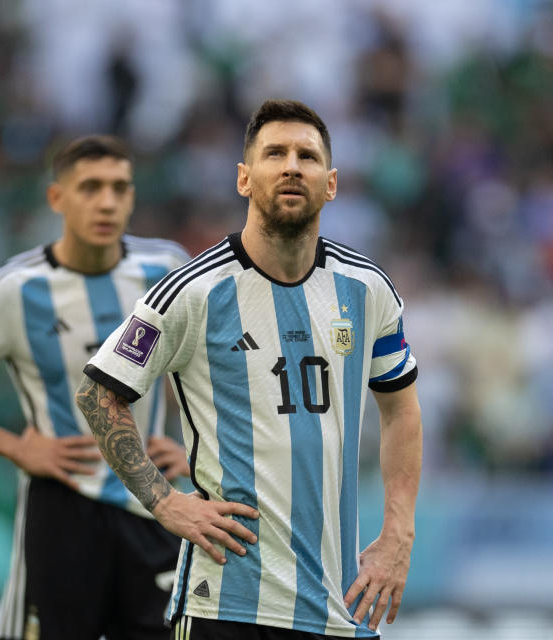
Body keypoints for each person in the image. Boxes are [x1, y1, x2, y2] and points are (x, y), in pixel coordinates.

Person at [76, 100, 423, 639]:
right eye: (274, 153)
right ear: (244, 178)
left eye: (307, 156)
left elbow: (401, 408)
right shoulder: (191, 292)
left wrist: (398, 531)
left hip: (340, 605)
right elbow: (99, 393)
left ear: (330, 184)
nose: (291, 166)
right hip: (228, 605)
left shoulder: (367, 289)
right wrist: (164, 504)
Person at [0, 135, 192, 640]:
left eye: (120, 188)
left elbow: (218, 364)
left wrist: (194, 450)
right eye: (90, 187)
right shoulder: (15, 288)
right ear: (57, 199)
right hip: (62, 505)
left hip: (152, 503)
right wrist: (14, 446)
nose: (107, 202)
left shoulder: (167, 270)